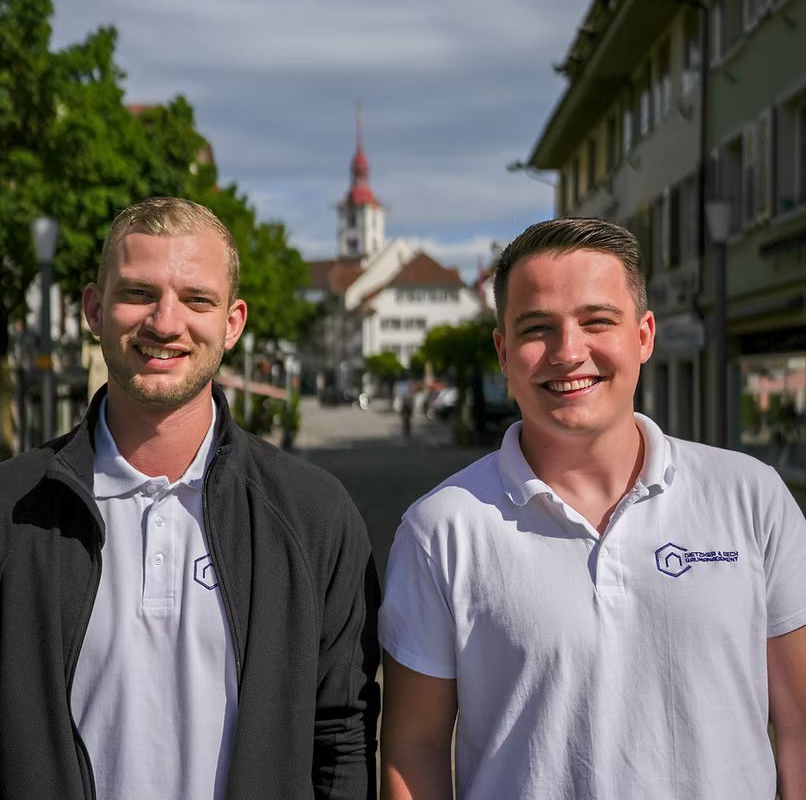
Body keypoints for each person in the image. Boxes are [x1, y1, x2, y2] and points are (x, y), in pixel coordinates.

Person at [379, 218, 806, 799]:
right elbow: (415, 750)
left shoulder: (752, 498)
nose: (568, 351)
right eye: (537, 328)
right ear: (503, 353)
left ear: (644, 335)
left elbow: (799, 730)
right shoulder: (441, 529)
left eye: (597, 321)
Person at [0, 197, 380, 799]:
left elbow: (341, 736)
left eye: (196, 300)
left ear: (232, 322)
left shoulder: (313, 515)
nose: (166, 322)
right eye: (139, 293)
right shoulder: (11, 508)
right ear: (94, 311)